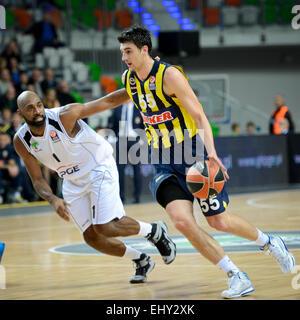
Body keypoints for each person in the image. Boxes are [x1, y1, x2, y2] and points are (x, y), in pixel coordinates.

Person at [96, 25, 296, 298]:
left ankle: (270, 243)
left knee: (219, 222)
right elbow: (113, 101)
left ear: (144, 50)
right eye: (121, 52)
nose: (124, 57)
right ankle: (235, 275)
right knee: (182, 222)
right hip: (163, 160)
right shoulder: (129, 79)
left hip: (192, 154)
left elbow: (200, 116)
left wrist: (211, 153)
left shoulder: (170, 75)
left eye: (128, 51)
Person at [14, 90, 176, 283]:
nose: (37, 111)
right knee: (92, 237)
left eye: (39, 105)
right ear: (20, 113)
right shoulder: (21, 141)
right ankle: (141, 260)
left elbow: (108, 101)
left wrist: (138, 85)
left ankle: (153, 230)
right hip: (72, 180)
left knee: (105, 226)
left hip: (98, 167)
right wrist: (53, 199)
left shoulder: (64, 116)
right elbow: (37, 179)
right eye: (30, 108)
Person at [108, 100, 144, 203]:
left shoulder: (138, 108)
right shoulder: (118, 108)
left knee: (136, 169)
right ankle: (121, 196)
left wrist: (142, 138)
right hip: (122, 140)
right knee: (120, 170)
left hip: (135, 140)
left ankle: (137, 196)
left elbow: (144, 124)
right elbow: (113, 125)